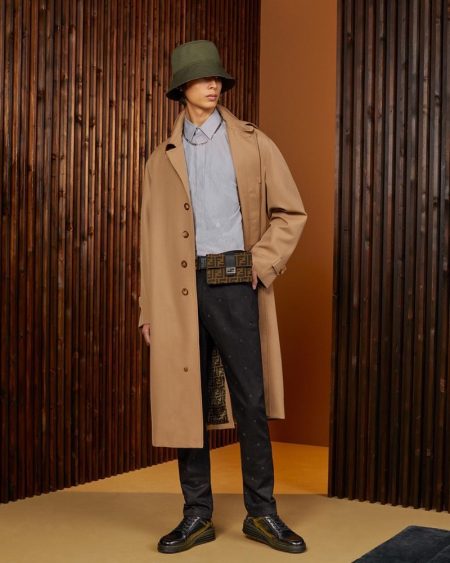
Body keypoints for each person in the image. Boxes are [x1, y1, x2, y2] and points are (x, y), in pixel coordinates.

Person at [138, 40, 307, 554]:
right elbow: (149, 240)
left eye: (217, 78)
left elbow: (290, 212)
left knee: (250, 398)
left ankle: (262, 513)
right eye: (202, 78)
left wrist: (260, 264)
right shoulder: (160, 160)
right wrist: (149, 308)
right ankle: (196, 515)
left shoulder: (254, 144)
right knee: (187, 404)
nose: (213, 84)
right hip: (179, 293)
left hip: (235, 280)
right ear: (182, 88)